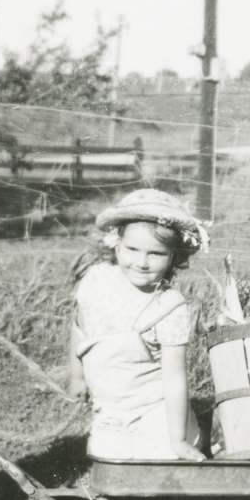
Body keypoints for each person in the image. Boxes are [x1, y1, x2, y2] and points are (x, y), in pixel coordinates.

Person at [68, 189, 208, 462]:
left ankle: (193, 434)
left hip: (155, 409)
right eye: (133, 249)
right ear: (116, 243)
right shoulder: (96, 282)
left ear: (173, 257)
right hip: (110, 410)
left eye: (156, 254)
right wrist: (76, 375)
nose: (141, 263)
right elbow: (78, 329)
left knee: (159, 459)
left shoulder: (168, 306)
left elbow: (174, 378)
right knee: (109, 459)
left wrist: (177, 440)